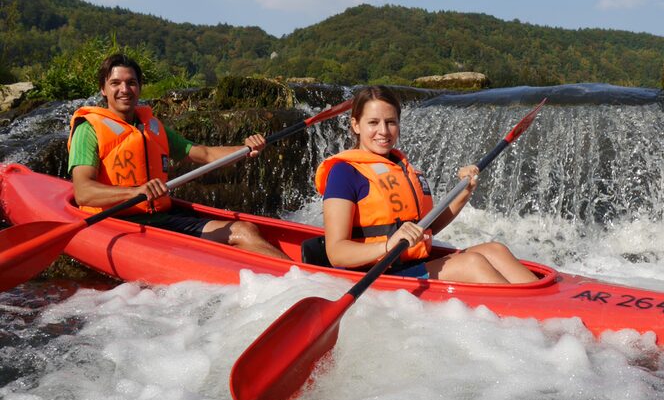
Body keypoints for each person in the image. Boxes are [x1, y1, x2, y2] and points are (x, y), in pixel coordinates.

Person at [67, 53, 289, 259]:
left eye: (131, 83)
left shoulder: (152, 127)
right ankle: (305, 281)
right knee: (242, 232)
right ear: (103, 89)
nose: (124, 89)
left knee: (246, 229)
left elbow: (203, 153)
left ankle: (296, 277)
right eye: (115, 83)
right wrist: (136, 191)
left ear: (139, 87)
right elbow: (83, 193)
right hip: (116, 223)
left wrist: (246, 148)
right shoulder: (88, 130)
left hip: (160, 219)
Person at [315, 85, 538, 284]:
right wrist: (387, 246)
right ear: (356, 125)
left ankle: (545, 308)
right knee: (472, 264)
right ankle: (531, 319)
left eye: (390, 122)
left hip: (410, 265)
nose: (383, 131)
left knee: (496, 250)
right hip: (376, 275)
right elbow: (336, 252)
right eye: (373, 122)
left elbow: (428, 228)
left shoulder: (402, 168)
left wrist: (466, 190)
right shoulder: (344, 173)